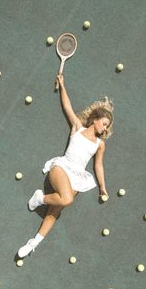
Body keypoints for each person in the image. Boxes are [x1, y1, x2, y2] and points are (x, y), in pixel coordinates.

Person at [17, 74, 114, 258]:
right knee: (67, 200)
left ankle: (33, 243)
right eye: (104, 123)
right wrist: (62, 85)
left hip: (78, 176)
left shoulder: (100, 144)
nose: (105, 128)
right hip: (62, 167)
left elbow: (98, 166)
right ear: (95, 119)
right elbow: (67, 106)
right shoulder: (78, 127)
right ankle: (41, 198)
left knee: (55, 211)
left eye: (107, 126)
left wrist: (102, 187)